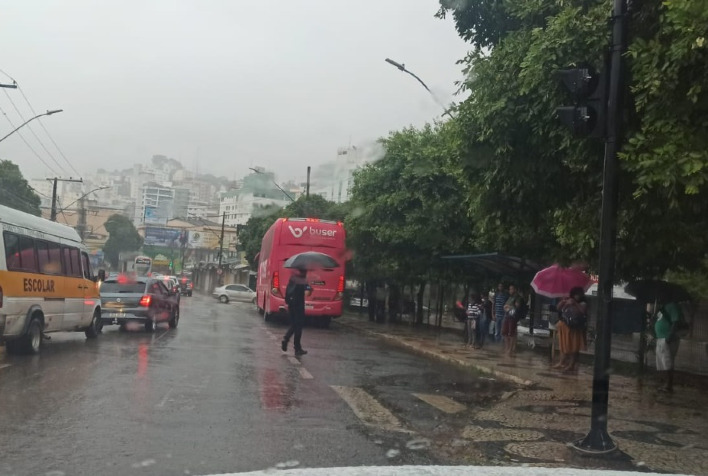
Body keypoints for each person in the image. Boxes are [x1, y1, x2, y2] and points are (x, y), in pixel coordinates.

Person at [555, 287, 588, 373]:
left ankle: (571, 364)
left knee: (573, 346)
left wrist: (575, 304)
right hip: (565, 325)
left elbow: (582, 312)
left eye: (579, 294)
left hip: (575, 327)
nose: (577, 296)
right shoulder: (568, 300)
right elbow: (559, 308)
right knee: (564, 345)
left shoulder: (583, 303)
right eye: (576, 294)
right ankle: (562, 362)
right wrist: (564, 302)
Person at [281, 267, 312, 356]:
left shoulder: (292, 279)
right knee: (298, 326)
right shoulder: (303, 280)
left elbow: (288, 291)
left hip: (291, 305)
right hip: (299, 305)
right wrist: (310, 289)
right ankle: (297, 348)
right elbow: (307, 293)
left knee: (294, 325)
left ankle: (286, 340)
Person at [654, 299, 682, 393]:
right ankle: (666, 384)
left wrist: (668, 337)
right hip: (661, 338)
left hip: (667, 339)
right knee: (663, 363)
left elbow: (676, 321)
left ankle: (668, 386)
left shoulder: (672, 305)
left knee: (667, 362)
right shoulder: (663, 307)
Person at [502, 287, 525, 357]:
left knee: (511, 333)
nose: (510, 290)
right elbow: (505, 306)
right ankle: (507, 347)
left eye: (511, 289)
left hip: (513, 316)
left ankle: (511, 349)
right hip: (507, 315)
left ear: (515, 290)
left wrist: (508, 306)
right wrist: (507, 307)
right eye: (509, 289)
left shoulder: (518, 297)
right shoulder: (510, 297)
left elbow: (517, 305)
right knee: (504, 332)